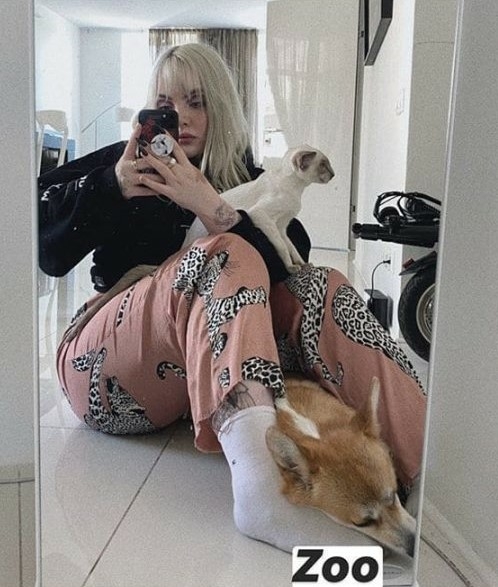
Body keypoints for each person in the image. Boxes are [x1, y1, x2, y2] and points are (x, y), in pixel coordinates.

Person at [38, 42, 426, 553]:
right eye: (166, 104)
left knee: (320, 282)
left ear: (220, 107)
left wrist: (211, 204)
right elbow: (40, 243)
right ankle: (261, 492)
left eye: (196, 102)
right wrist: (110, 186)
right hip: (107, 370)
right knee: (224, 253)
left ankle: (423, 466)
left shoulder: (246, 176)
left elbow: (293, 266)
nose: (181, 117)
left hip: (201, 379)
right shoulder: (123, 161)